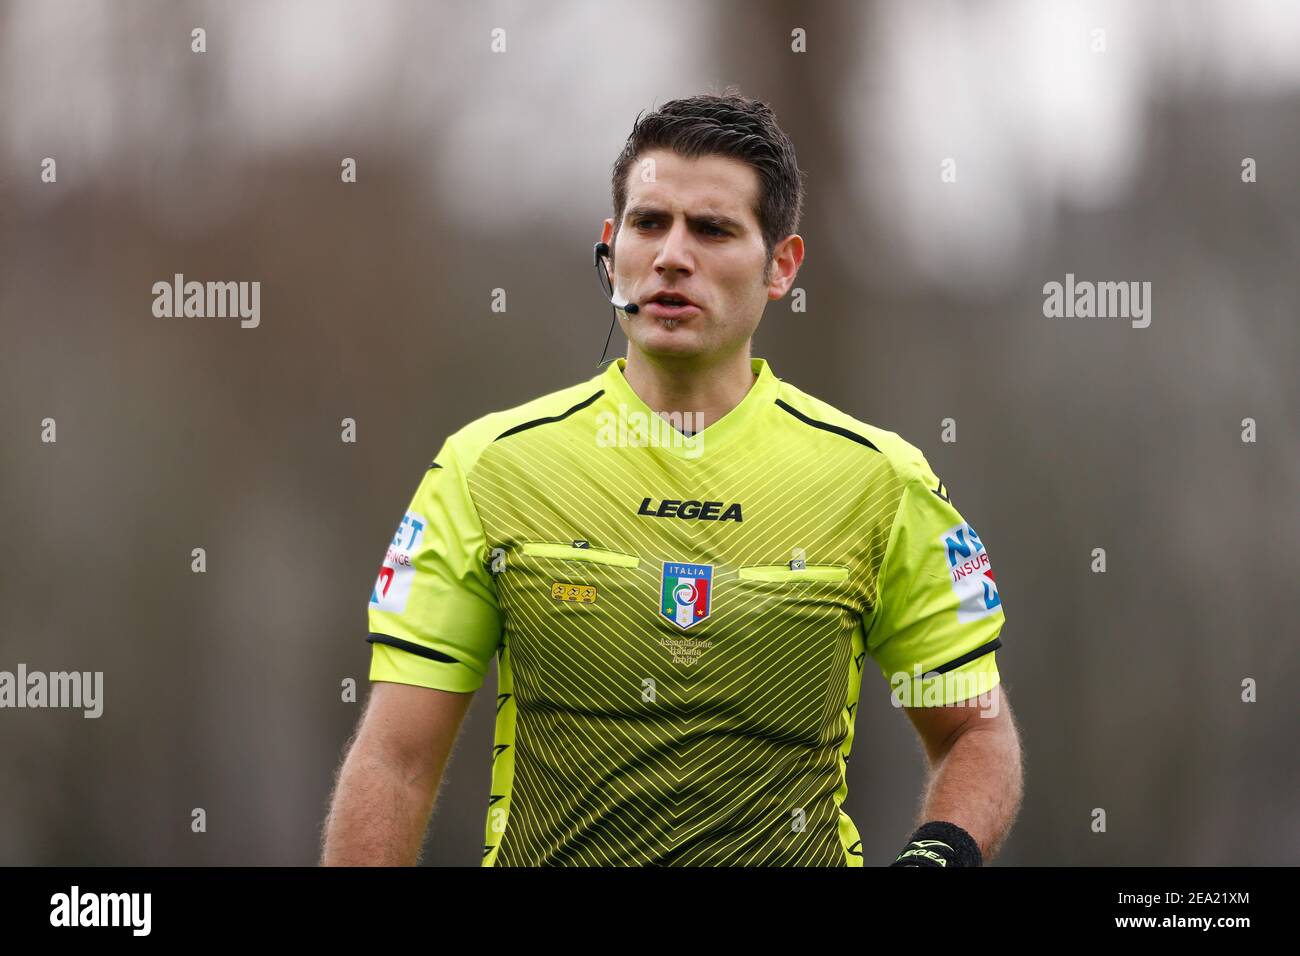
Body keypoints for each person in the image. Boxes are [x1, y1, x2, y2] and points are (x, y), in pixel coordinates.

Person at [322, 89, 1023, 867]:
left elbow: (974, 729)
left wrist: (937, 858)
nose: (671, 256)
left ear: (781, 266)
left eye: (713, 229)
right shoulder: (489, 467)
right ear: (610, 246)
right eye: (648, 223)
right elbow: (396, 761)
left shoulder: (879, 481)